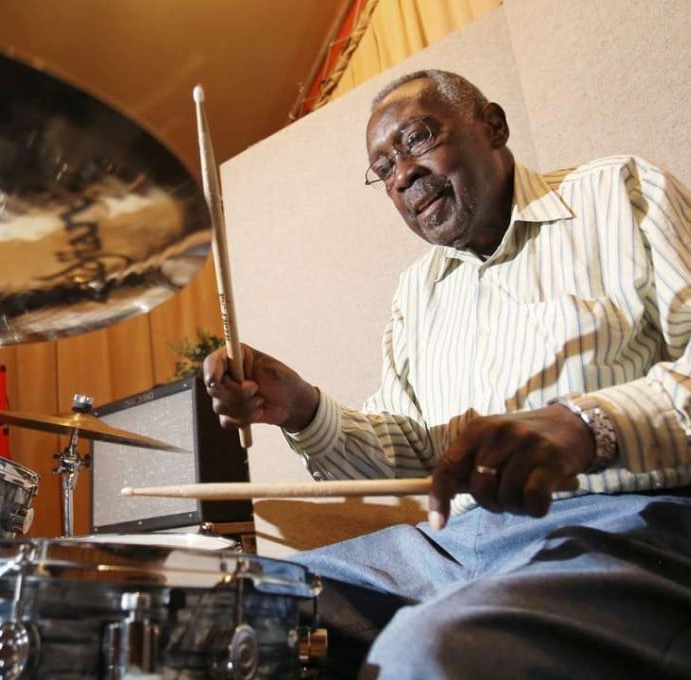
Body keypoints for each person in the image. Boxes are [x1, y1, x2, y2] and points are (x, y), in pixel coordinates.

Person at [203, 70, 691, 679]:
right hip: (450, 545)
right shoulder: (418, 292)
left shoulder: (620, 193)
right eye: (383, 169)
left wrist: (584, 425)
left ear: (493, 126)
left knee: (425, 652)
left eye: (416, 139)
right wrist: (301, 409)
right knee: (235, 611)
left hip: (626, 524)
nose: (402, 174)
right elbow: (414, 453)